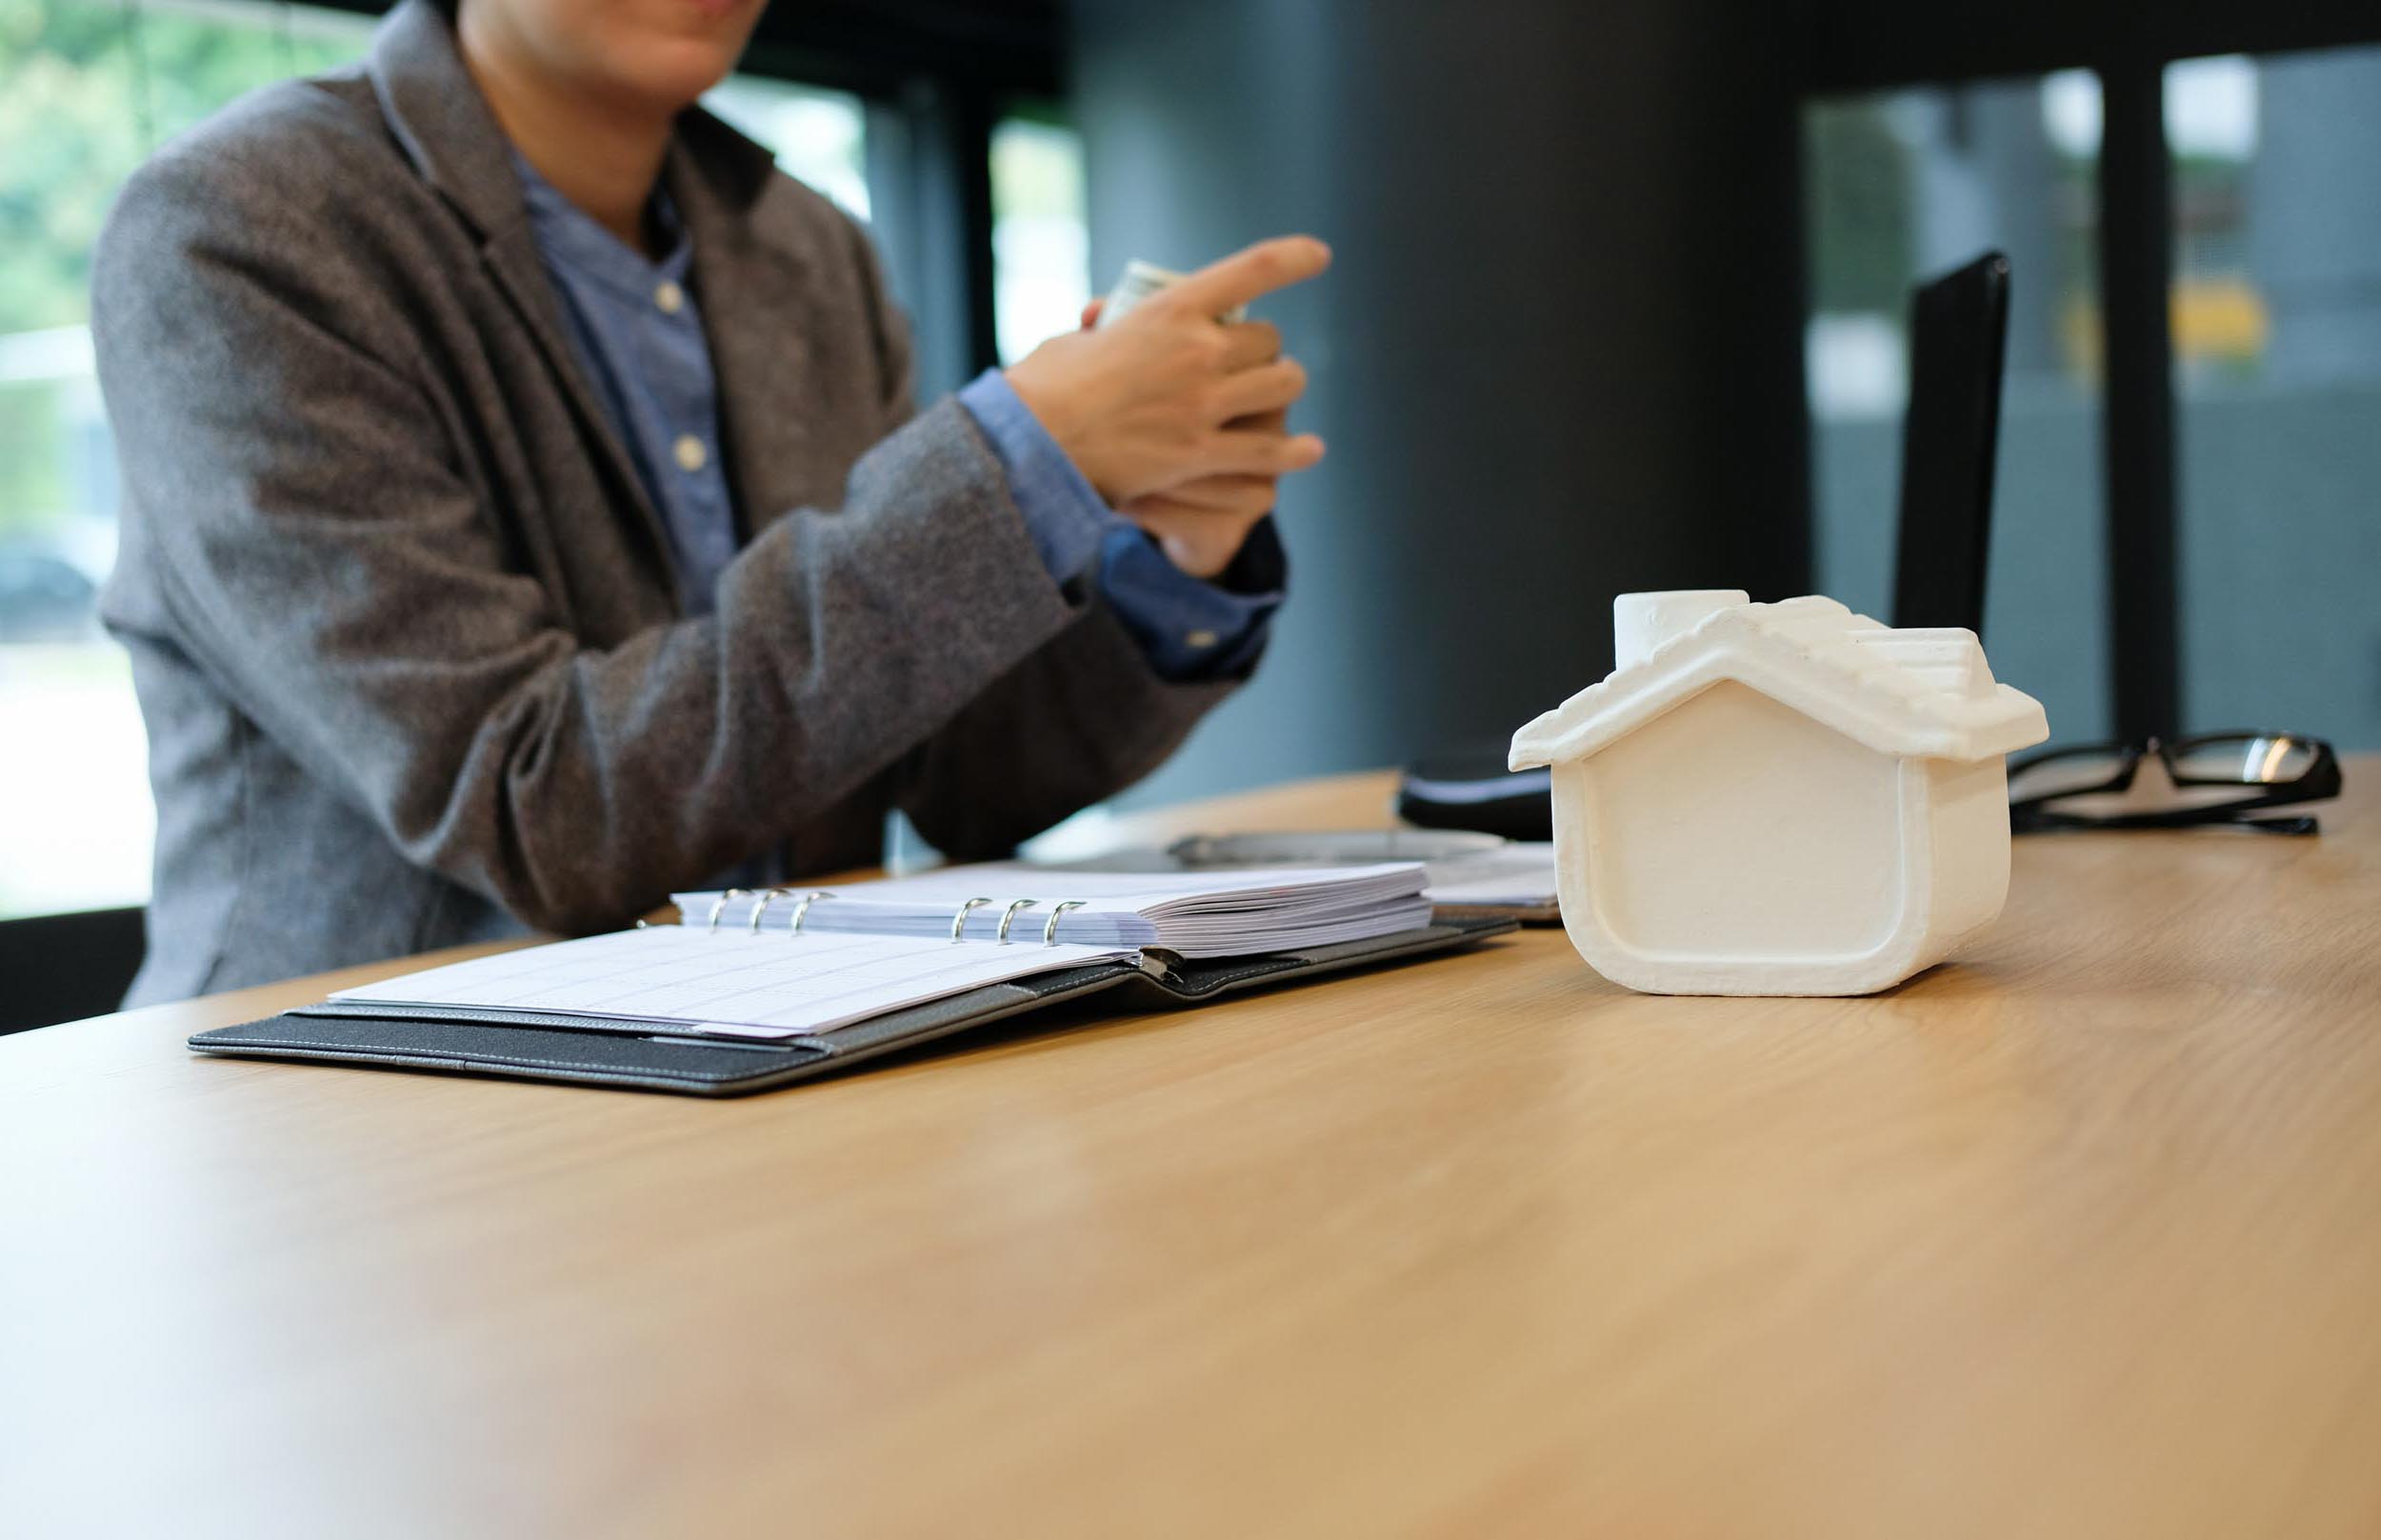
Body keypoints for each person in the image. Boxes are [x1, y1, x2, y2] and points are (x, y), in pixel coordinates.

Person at [91, 0, 1329, 1005]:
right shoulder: (241, 230)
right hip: (357, 1126)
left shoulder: (811, 250)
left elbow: (959, 775)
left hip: (793, 1063)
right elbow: (537, 806)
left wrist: (1172, 558)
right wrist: (1014, 464)